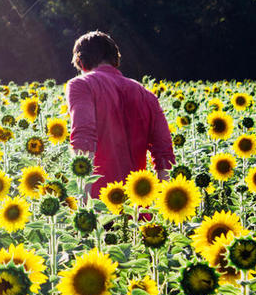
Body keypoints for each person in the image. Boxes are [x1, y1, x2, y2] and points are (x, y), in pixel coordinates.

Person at [65, 30, 175, 200]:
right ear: (115, 59)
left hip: (99, 206)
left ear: (81, 62)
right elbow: (164, 155)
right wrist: (162, 211)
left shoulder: (82, 85)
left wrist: (84, 200)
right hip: (138, 208)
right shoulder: (148, 96)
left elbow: (83, 139)